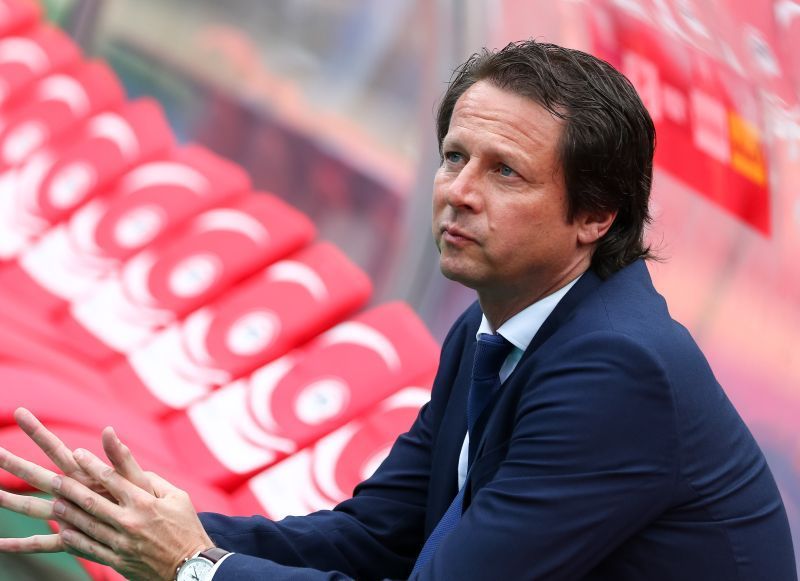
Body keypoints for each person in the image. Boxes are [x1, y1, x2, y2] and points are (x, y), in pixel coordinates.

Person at [0, 39, 797, 580]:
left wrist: (194, 565)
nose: (459, 192)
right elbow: (377, 534)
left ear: (596, 215)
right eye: (454, 156)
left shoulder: (620, 369)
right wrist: (148, 521)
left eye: (506, 172)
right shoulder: (492, 326)